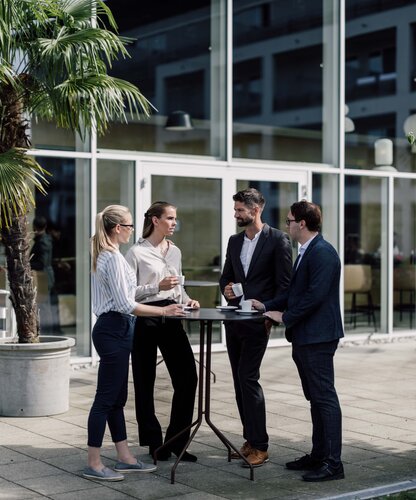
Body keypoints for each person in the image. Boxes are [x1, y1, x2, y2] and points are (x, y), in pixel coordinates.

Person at [84, 204, 185, 482]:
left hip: (116, 329)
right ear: (118, 228)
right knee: (106, 400)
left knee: (117, 399)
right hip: (114, 328)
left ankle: (125, 458)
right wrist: (164, 310)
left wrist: (156, 289)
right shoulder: (113, 258)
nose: (132, 231)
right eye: (128, 226)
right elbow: (126, 304)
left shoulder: (108, 255)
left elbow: (130, 292)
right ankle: (93, 463)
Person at [252, 200, 344, 482]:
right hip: (307, 336)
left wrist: (285, 316)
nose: (287, 224)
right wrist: (265, 305)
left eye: (289, 219)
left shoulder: (324, 253)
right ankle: (319, 455)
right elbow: (294, 292)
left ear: (302, 223)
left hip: (318, 337)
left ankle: (333, 464)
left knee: (324, 398)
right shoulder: (307, 251)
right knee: (315, 398)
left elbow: (313, 297)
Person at [219, 188, 292, 467]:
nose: (236, 214)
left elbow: (285, 287)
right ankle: (250, 440)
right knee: (239, 381)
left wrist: (267, 309)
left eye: (240, 210)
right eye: (235, 210)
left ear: (256, 209)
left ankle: (260, 445)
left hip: (258, 323)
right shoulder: (234, 241)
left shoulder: (278, 240)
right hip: (234, 321)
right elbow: (226, 278)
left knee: (248, 378)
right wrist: (226, 290)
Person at [125, 201, 199, 462]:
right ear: (155, 220)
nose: (174, 223)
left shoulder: (175, 251)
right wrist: (156, 286)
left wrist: (188, 298)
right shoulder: (135, 253)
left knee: (188, 378)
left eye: (175, 218)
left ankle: (176, 441)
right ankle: (154, 443)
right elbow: (128, 294)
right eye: (169, 218)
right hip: (145, 317)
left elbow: (178, 286)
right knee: (145, 382)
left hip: (173, 314)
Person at [30, 216, 61, 333]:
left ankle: (49, 332)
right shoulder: (45, 240)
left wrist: (28, 264)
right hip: (46, 277)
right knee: (47, 306)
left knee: (45, 307)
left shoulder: (43, 242)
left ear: (34, 227)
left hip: (44, 278)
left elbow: (42, 263)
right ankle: (51, 331)